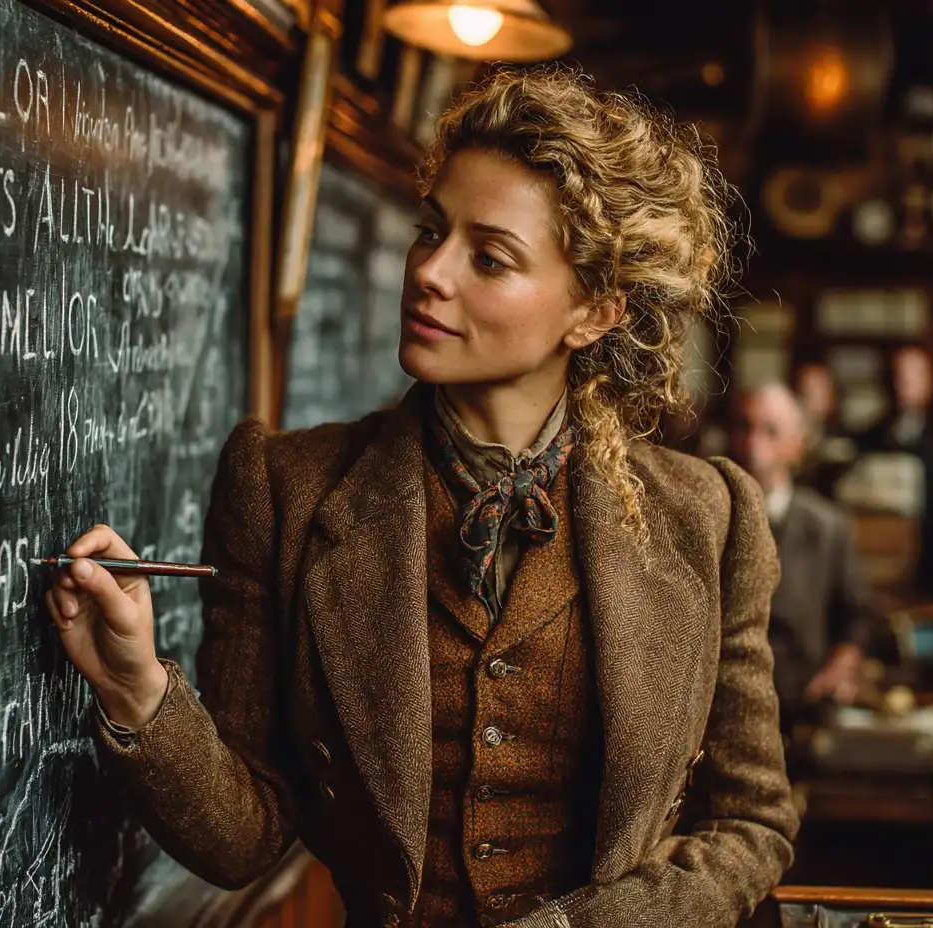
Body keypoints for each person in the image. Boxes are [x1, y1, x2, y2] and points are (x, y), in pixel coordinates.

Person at [47, 68, 798, 928]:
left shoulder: (710, 518)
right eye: (429, 232)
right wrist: (137, 685)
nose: (430, 273)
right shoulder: (284, 489)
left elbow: (751, 824)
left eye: (490, 257)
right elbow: (245, 840)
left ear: (593, 310)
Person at [729, 383, 875, 733]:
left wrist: (838, 670)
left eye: (771, 431)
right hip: (725, 706)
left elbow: (859, 616)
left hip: (801, 705)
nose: (753, 443)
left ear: (797, 447)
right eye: (744, 427)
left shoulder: (827, 527)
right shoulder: (709, 518)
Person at [856, 345, 933, 603]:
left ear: (929, 383)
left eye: (911, 377)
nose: (902, 385)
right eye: (896, 376)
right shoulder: (869, 436)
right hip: (877, 556)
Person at [792, 361, 855, 500]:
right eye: (802, 391)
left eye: (814, 392)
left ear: (830, 397)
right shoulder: (786, 436)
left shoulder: (843, 438)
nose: (806, 399)